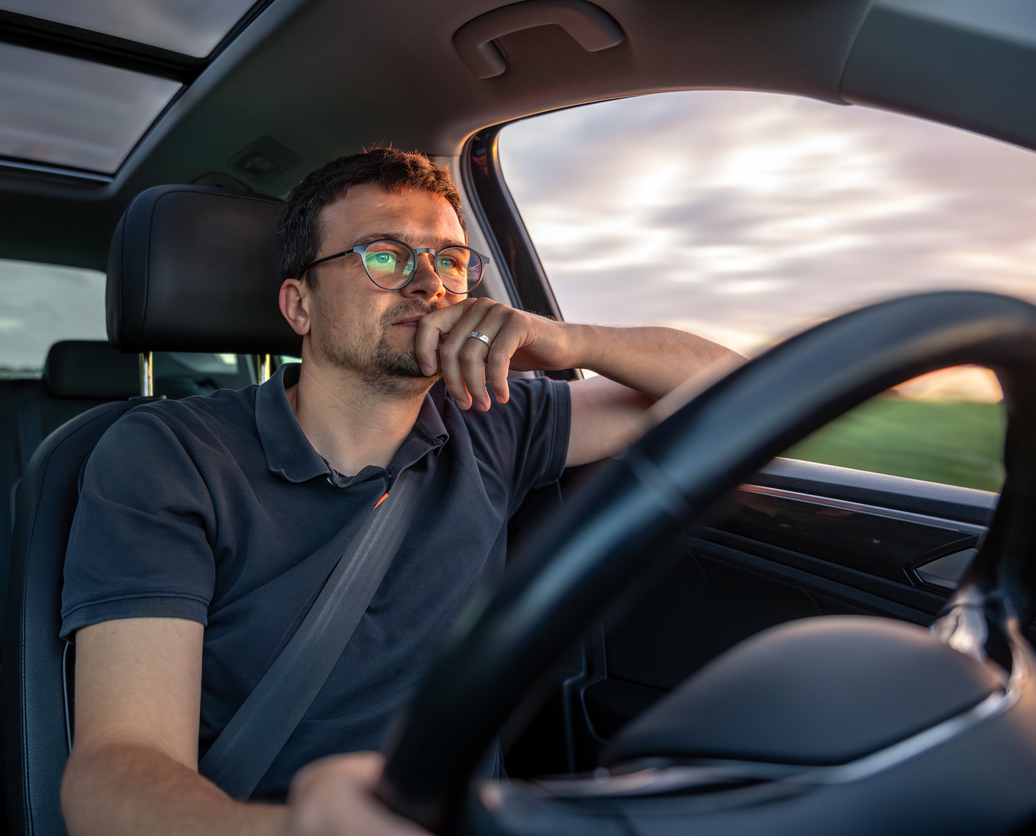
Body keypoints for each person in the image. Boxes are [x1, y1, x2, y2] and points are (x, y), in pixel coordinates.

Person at [58, 148, 741, 836]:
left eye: (449, 261)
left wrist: (564, 341)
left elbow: (741, 395)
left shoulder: (495, 419)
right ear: (300, 305)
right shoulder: (169, 454)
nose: (429, 285)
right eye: (384, 256)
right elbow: (116, 766)